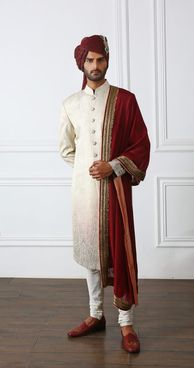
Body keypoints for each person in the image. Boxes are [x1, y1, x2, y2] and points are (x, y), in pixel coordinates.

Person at [59, 35, 150, 353]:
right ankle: (95, 314)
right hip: (84, 195)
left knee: (120, 252)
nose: (95, 66)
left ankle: (127, 323)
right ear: (81, 64)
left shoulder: (125, 100)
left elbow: (141, 144)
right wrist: (87, 170)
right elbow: (66, 149)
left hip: (116, 194)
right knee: (91, 254)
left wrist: (113, 167)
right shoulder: (70, 104)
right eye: (89, 61)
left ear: (107, 60)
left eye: (100, 59)